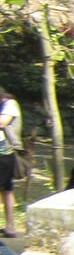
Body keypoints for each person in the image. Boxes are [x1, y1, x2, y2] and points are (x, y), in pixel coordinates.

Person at [0, 86, 23, 238]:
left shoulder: (10, 104)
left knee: (6, 188)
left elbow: (2, 122)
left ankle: (11, 226)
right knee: (6, 189)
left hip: (4, 153)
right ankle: (10, 226)